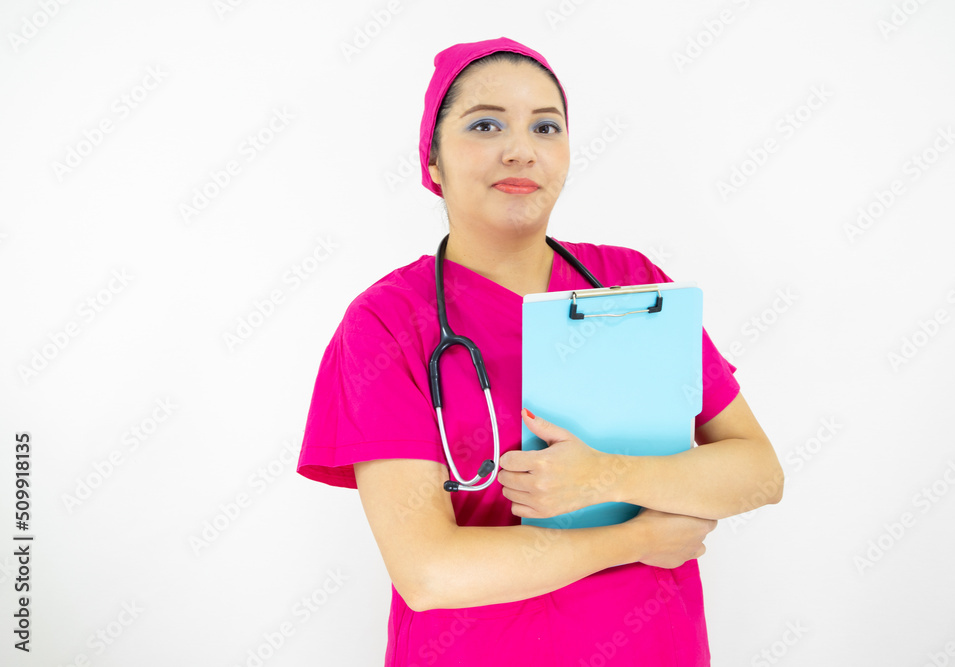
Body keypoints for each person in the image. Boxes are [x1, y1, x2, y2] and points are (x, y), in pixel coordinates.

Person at [297, 36, 784, 666]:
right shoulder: (388, 323)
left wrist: (610, 476)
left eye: (545, 126)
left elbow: (758, 472)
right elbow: (428, 572)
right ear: (433, 160)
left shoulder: (633, 287)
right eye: (485, 124)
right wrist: (634, 538)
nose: (521, 149)